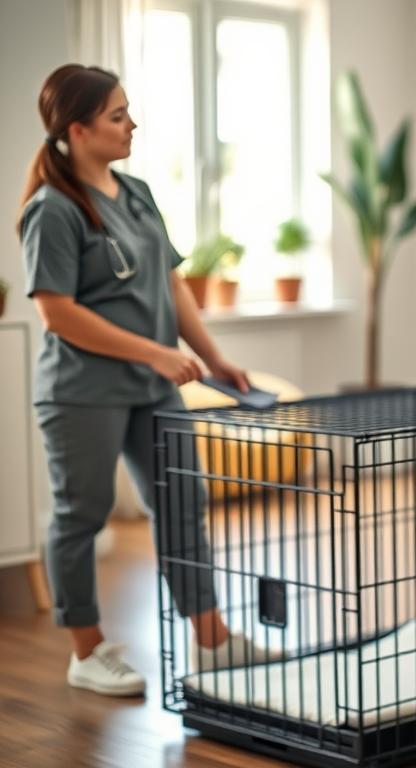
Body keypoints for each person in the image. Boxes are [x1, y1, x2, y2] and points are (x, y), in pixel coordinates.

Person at [17, 64, 271, 697]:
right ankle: (86, 650)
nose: (132, 125)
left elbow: (170, 282)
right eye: (117, 115)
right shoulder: (52, 210)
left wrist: (211, 357)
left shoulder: (136, 193)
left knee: (184, 505)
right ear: (77, 129)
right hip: (83, 390)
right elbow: (57, 311)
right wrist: (155, 354)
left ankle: (211, 640)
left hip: (152, 389)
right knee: (83, 515)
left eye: (128, 112)